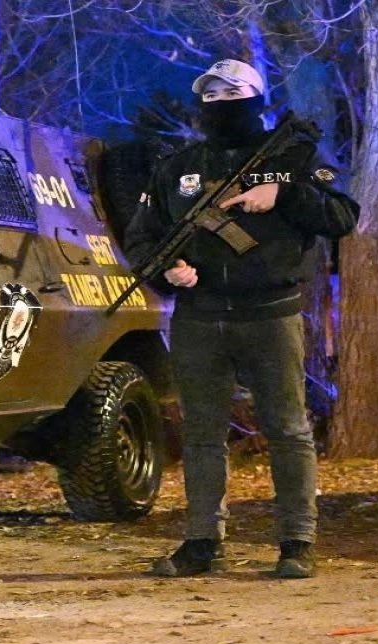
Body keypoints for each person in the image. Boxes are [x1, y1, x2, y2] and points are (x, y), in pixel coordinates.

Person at [122, 59, 360, 579]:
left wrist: (285, 193)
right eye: (212, 96)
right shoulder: (177, 167)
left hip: (271, 314)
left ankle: (297, 542)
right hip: (199, 318)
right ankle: (202, 541)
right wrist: (168, 270)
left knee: (287, 430)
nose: (222, 105)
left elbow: (344, 216)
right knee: (202, 435)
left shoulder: (294, 158)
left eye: (233, 95)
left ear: (255, 99)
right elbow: (142, 238)